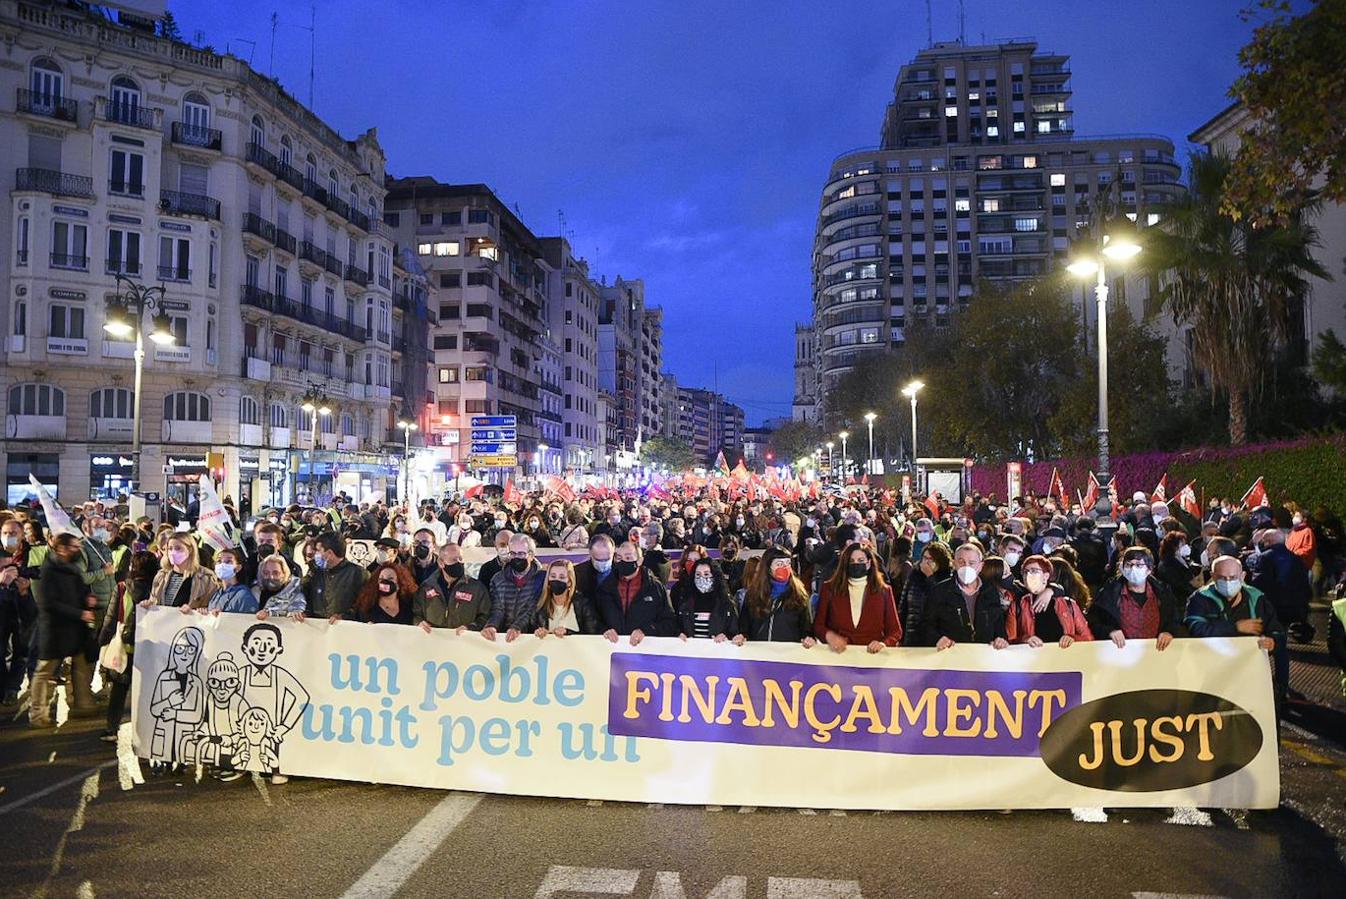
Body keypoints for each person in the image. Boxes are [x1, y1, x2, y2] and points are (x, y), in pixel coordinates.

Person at [1186, 555, 1286, 701]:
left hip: (1249, 673)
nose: (1228, 582)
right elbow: (1196, 629)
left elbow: (1276, 630)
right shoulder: (1200, 598)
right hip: (1210, 675)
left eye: (1233, 577)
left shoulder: (1257, 598)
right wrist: (1235, 627)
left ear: (1243, 576)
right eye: (1222, 578)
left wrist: (1273, 642)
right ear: (1213, 576)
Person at [31, 533, 97, 726]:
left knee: (80, 666)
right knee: (44, 671)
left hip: (74, 630)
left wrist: (87, 598)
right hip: (56, 630)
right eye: (74, 547)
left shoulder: (72, 569)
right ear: (62, 549)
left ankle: (82, 704)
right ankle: (38, 715)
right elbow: (49, 603)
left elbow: (80, 590)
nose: (78, 551)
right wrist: (79, 614)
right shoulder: (49, 571)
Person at [1088, 546, 1181, 651]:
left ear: (1149, 569)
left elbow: (1174, 619)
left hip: (1156, 651)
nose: (1133, 569)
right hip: (1121, 652)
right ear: (1122, 568)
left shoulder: (1163, 593)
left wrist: (1169, 631)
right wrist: (1110, 631)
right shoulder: (1110, 592)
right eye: (1128, 565)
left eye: (1139, 565)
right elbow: (1093, 620)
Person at [814, 542, 902, 652]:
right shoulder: (829, 589)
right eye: (851, 561)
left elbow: (895, 631)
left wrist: (883, 644)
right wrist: (829, 636)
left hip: (872, 657)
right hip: (838, 656)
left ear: (869, 563)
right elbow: (818, 625)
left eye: (860, 561)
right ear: (845, 564)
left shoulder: (884, 591)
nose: (856, 564)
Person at [920, 542, 1009, 650]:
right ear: (954, 563)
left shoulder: (990, 591)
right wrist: (937, 639)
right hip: (950, 656)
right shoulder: (940, 591)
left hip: (983, 657)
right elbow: (925, 626)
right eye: (961, 562)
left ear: (981, 566)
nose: (966, 567)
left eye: (971, 563)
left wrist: (1000, 639)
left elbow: (999, 627)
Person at [596, 542, 677, 643]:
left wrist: (646, 630)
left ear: (639, 561)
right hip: (612, 649)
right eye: (619, 558)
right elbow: (594, 619)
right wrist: (603, 629)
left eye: (628, 558)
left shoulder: (655, 588)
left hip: (644, 651)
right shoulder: (605, 587)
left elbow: (669, 622)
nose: (622, 562)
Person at [1006, 555, 1093, 647]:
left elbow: (1088, 637)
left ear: (1046, 576)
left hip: (1064, 657)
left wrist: (1073, 638)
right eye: (1025, 572)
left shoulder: (1069, 604)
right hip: (1033, 658)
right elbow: (1010, 640)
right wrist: (1025, 639)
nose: (1028, 575)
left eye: (1034, 571)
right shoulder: (1017, 606)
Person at [735, 548, 815, 645]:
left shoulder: (799, 595)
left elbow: (806, 629)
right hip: (758, 653)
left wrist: (808, 639)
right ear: (768, 568)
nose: (785, 568)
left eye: (788, 563)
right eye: (779, 564)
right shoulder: (753, 594)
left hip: (788, 655)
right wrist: (742, 636)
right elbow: (744, 627)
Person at [1250, 527, 1314, 644]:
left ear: (1269, 541)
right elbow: (1304, 581)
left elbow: (1260, 582)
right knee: (1281, 631)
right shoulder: (1296, 558)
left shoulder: (1264, 558)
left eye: (1264, 541)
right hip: (1293, 604)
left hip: (1273, 604)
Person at [414, 543, 492, 633]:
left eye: (460, 559)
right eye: (454, 560)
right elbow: (416, 614)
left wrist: (470, 627)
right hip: (434, 641)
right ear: (441, 563)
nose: (459, 562)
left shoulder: (477, 588)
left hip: (463, 642)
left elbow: (485, 615)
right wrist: (419, 623)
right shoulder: (426, 587)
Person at [483, 533, 546, 640]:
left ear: (531, 555)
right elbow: (497, 608)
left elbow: (532, 609)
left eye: (521, 554)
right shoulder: (498, 579)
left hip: (531, 637)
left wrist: (517, 627)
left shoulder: (541, 579)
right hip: (504, 637)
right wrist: (492, 626)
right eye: (513, 553)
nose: (516, 557)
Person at [303, 533, 369, 623]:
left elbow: (364, 605)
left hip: (345, 631)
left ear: (329, 553)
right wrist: (303, 612)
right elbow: (303, 593)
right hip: (316, 629)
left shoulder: (358, 573)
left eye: (318, 550)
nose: (316, 554)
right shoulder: (315, 572)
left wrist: (344, 617)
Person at [146, 534, 222, 609]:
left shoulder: (206, 577)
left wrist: (200, 610)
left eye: (178, 548)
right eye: (170, 548)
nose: (173, 552)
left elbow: (212, 607)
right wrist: (148, 604)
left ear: (190, 549)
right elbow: (154, 601)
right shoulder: (161, 575)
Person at [899, 541, 952, 644]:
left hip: (935, 637)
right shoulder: (914, 575)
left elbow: (940, 601)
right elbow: (903, 606)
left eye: (931, 559)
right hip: (912, 634)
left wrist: (930, 577)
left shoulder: (947, 579)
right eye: (924, 558)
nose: (926, 562)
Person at [532, 559, 600, 636]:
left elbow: (592, 635)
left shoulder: (583, 604)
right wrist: (540, 632)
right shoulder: (540, 605)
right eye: (553, 576)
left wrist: (568, 633)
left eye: (561, 577)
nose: (556, 580)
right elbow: (531, 631)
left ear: (570, 582)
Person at [676, 558, 738, 642]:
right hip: (690, 651)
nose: (701, 578)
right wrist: (679, 634)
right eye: (698, 574)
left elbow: (735, 632)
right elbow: (677, 626)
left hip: (716, 652)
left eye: (706, 574)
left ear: (715, 576)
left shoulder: (726, 603)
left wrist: (726, 637)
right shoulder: (685, 601)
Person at [349, 564, 416, 624]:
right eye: (381, 579)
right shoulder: (367, 607)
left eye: (390, 579)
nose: (385, 582)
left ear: (399, 584)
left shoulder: (408, 605)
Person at [204, 549, 259, 615]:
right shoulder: (217, 594)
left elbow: (249, 621)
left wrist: (223, 616)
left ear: (238, 568)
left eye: (228, 561)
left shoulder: (243, 595)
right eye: (219, 561)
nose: (223, 564)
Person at [1156, 531, 1199, 603]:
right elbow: (1178, 584)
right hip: (1177, 601)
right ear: (1174, 546)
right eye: (1182, 544)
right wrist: (1196, 592)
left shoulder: (1182, 558)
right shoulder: (1166, 564)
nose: (1185, 546)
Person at [574, 534, 616, 601]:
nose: (603, 563)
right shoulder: (577, 573)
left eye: (607, 559)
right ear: (590, 553)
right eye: (598, 560)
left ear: (613, 551)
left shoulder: (622, 571)